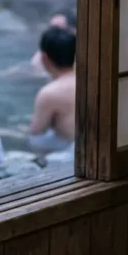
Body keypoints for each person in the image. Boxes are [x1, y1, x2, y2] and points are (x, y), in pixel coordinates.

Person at [0, 8, 76, 81]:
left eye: (58, 29)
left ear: (73, 31)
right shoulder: (45, 52)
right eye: (51, 29)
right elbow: (31, 68)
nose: (52, 34)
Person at [28, 26, 76, 157]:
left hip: (67, 152)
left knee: (33, 140)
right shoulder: (89, 81)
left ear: (44, 59)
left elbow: (36, 131)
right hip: (86, 146)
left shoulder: (50, 93)